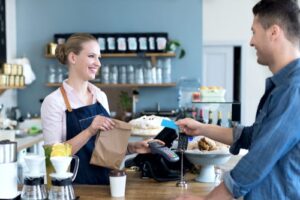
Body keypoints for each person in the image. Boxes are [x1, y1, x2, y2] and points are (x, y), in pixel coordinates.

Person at [175, 0, 300, 199]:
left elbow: (257, 161)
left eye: (254, 32)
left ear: (274, 32)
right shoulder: (283, 88)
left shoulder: (294, 90)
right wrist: (200, 128)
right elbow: (254, 137)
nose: (251, 41)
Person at [41, 33, 160, 185]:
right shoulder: (53, 102)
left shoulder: (100, 96)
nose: (98, 63)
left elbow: (105, 150)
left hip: (105, 184)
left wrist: (132, 148)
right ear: (73, 58)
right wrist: (89, 131)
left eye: (99, 57)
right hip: (71, 188)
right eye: (91, 56)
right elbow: (52, 157)